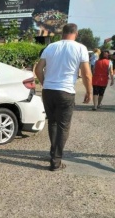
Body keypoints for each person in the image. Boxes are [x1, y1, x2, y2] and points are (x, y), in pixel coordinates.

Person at [35, 23, 92, 171]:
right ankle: (56, 161)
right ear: (76, 33)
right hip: (65, 91)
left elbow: (38, 69)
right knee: (63, 127)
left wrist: (44, 82)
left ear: (62, 33)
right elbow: (86, 74)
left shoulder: (51, 47)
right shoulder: (80, 48)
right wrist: (89, 91)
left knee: (52, 123)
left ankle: (53, 153)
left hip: (48, 91)